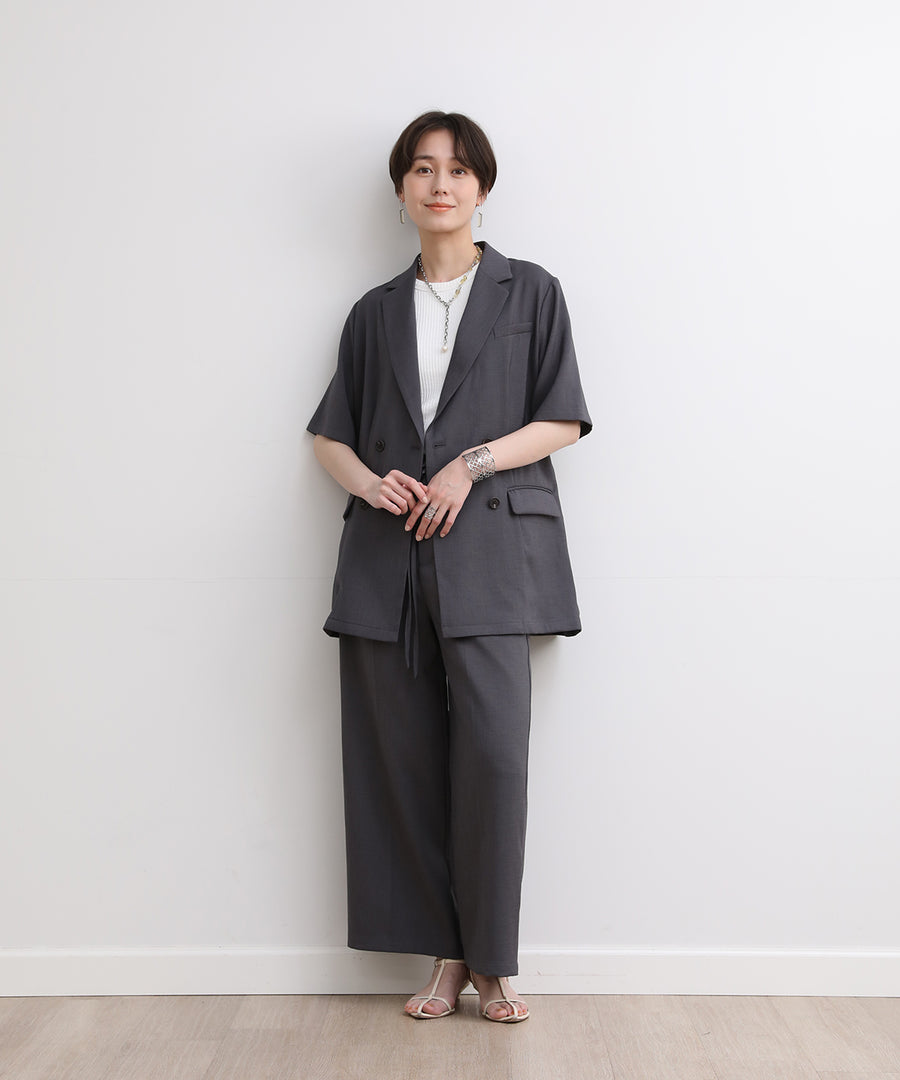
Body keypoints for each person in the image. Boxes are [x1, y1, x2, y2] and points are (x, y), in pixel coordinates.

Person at [308, 111, 591, 1023]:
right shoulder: (373, 311)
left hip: (494, 554)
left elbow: (562, 418)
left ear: (482, 187)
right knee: (403, 763)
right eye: (425, 169)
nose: (442, 184)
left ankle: (494, 963)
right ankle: (445, 957)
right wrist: (372, 483)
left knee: (494, 761)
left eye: (460, 170)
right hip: (387, 562)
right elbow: (329, 437)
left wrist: (471, 464)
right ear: (401, 189)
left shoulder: (530, 291)